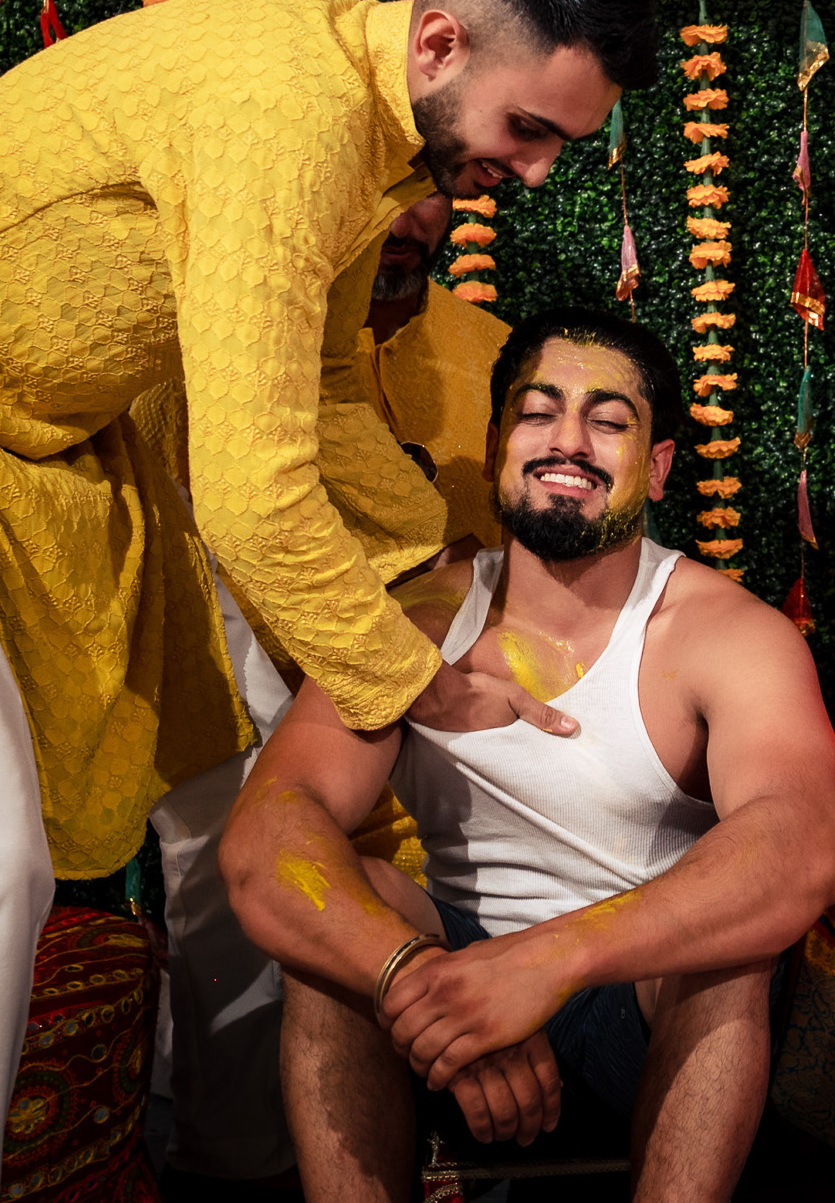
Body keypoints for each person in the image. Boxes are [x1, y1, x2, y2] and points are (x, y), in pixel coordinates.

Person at [0, 0, 655, 1203]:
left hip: (8, 433)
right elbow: (256, 494)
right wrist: (421, 672)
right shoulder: (293, 112)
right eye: (528, 130)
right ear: (439, 45)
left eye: (562, 145)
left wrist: (434, 569)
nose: (535, 171)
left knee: (77, 834)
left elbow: (314, 403)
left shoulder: (365, 135)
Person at [221, 308, 835, 1203]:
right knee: (342, 917)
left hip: (641, 1013)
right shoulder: (413, 625)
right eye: (539, 411)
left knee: (729, 947)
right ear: (495, 443)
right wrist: (422, 977)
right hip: (446, 1017)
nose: (569, 440)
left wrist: (545, 963)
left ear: (659, 467)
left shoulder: (726, 633)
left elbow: (800, 853)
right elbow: (263, 845)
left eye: (610, 420)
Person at [145, 187, 512, 1189]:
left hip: (444, 736)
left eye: (431, 191)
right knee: (225, 876)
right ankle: (231, 1172)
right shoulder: (249, 333)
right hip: (250, 675)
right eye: (383, 191)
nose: (410, 216)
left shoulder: (492, 354)